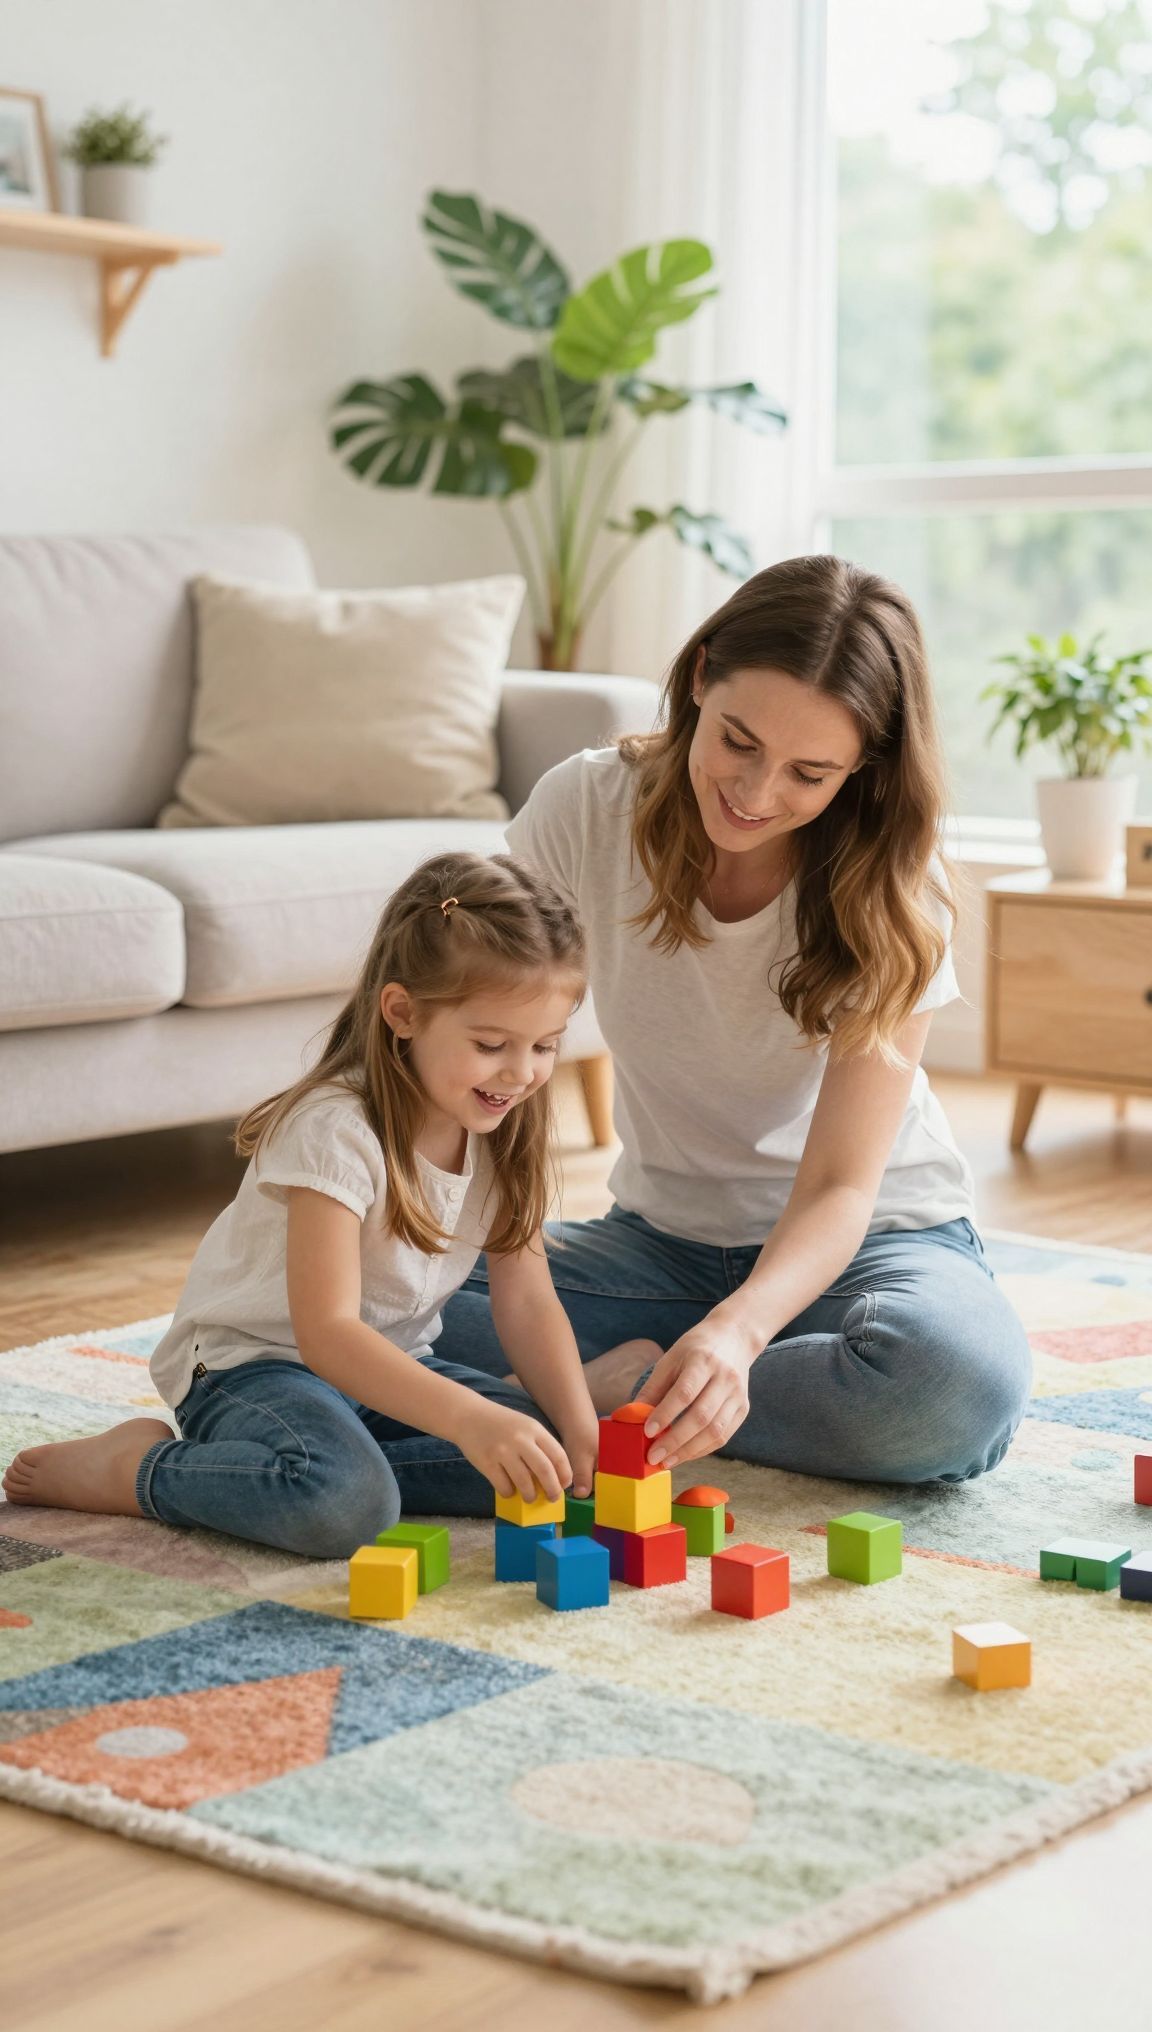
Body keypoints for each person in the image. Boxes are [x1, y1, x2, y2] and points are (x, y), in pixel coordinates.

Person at [438, 555, 1034, 1486]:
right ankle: (662, 1385)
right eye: (738, 742)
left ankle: (618, 1394)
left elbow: (841, 1185)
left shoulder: (893, 888)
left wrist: (741, 1331)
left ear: (864, 767)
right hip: (658, 1249)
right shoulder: (587, 806)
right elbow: (477, 1019)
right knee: (372, 1293)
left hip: (868, 1248)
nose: (755, 795)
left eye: (809, 773)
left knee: (950, 1390)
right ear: (700, 676)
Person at [3, 853, 646, 1557]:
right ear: (403, 1013)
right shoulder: (335, 1129)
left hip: (388, 1370)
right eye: (492, 1044)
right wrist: (468, 1420)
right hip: (254, 1369)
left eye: (546, 1046)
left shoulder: (502, 1128)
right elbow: (327, 1334)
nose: (521, 1073)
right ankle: (137, 1469)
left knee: (543, 1452)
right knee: (344, 1505)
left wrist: (577, 1429)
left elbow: (525, 1301)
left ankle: (337, 1463)